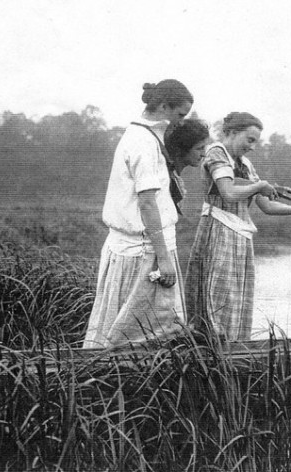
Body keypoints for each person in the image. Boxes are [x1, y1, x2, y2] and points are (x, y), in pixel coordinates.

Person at [184, 112, 291, 341]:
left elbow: (267, 206)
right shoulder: (216, 152)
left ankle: (234, 350)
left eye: (255, 142)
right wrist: (259, 185)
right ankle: (213, 351)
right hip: (218, 231)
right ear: (231, 133)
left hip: (240, 236)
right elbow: (229, 193)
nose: (252, 147)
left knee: (237, 298)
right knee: (218, 297)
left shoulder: (245, 164)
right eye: (249, 140)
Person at [83, 79, 194, 348]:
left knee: (129, 327)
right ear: (164, 106)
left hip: (136, 248)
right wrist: (164, 260)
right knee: (139, 330)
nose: (181, 122)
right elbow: (147, 203)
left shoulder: (144, 136)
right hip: (141, 251)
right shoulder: (143, 142)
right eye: (180, 115)